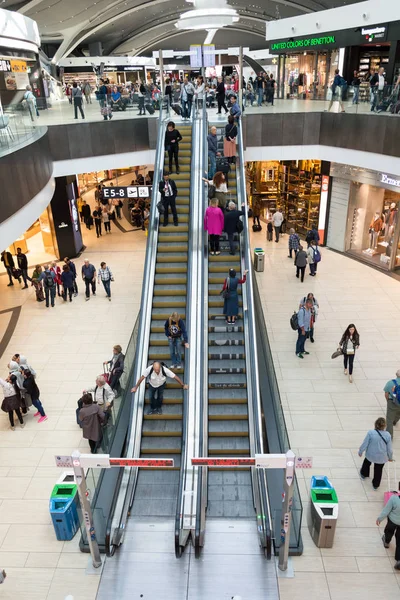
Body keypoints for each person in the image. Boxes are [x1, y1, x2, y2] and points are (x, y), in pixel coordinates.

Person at [359, 417, 392, 490]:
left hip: (371, 455)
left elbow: (365, 443)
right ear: (384, 426)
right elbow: (389, 449)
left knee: (366, 463)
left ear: (375, 424)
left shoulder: (371, 433)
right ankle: (375, 485)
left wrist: (361, 451)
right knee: (378, 470)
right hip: (381, 457)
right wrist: (390, 457)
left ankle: (364, 474)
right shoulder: (388, 435)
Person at [377, 489, 400, 570]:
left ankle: (386, 542)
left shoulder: (394, 498)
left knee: (389, 531)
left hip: (392, 521)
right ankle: (399, 560)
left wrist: (379, 519)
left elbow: (386, 510)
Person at [383, 370, 400, 439]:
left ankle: (389, 437)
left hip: (393, 402)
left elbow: (386, 393)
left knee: (389, 420)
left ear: (396, 374)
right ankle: (395, 421)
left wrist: (388, 401)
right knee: (398, 413)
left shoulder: (390, 383)